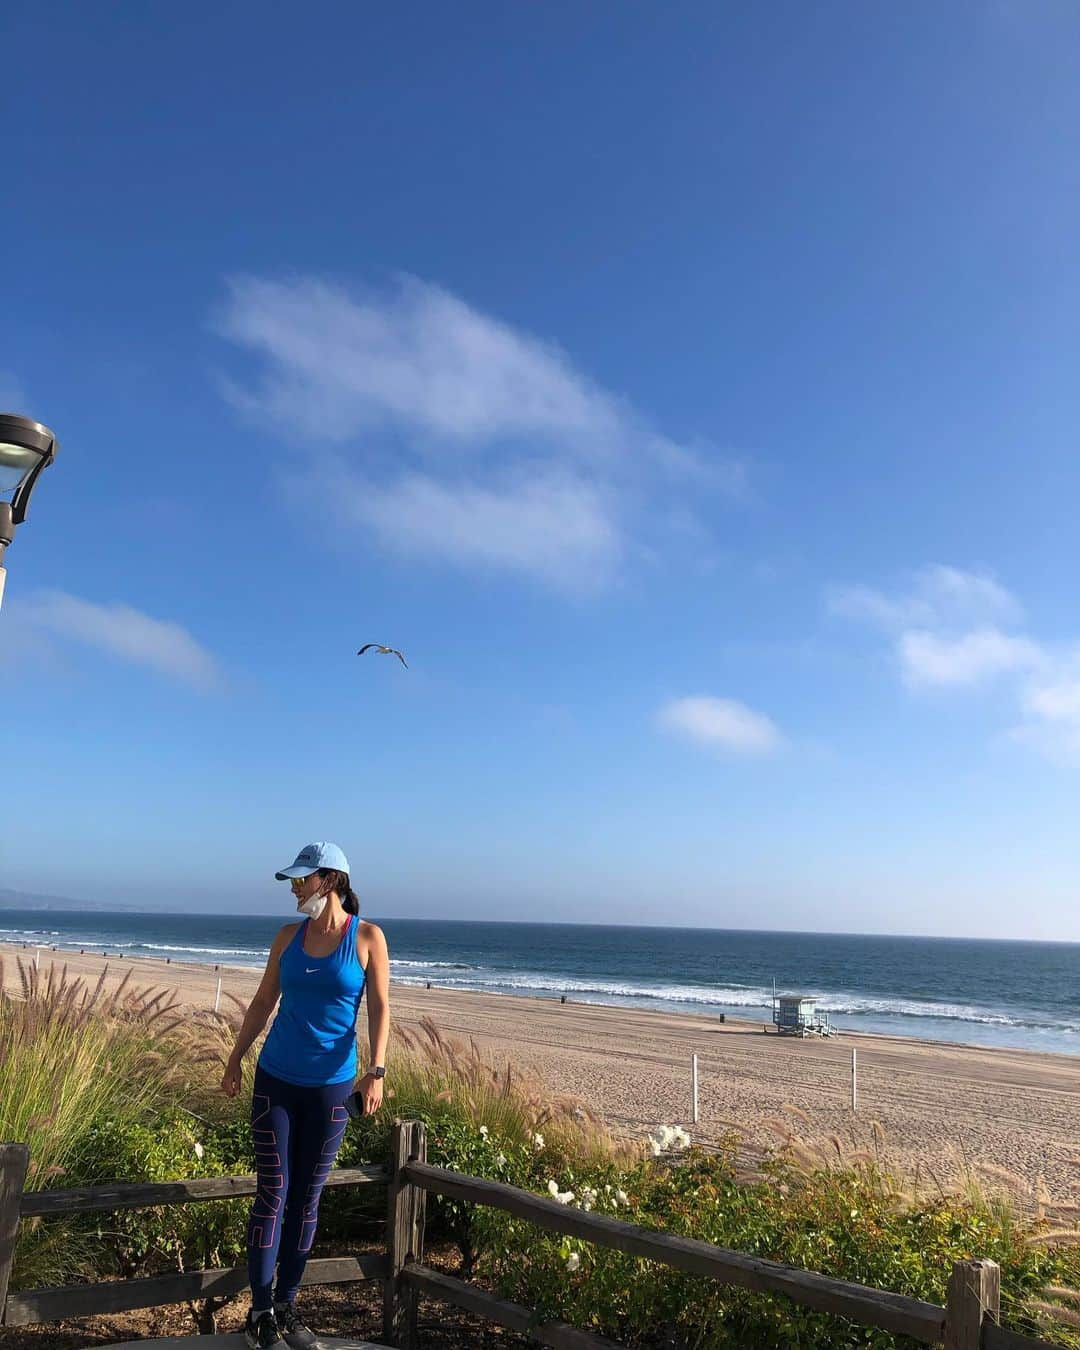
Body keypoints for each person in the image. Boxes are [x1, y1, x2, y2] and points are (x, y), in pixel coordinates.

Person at [221, 842, 390, 1350]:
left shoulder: (367, 938)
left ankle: (288, 1304)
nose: (295, 888)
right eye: (293, 881)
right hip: (275, 1080)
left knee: (307, 1198)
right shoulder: (287, 937)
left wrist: (376, 1072)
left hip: (332, 1088)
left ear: (331, 880)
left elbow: (381, 1007)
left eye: (302, 879)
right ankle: (260, 1311)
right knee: (273, 1192)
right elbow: (261, 1002)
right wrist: (235, 1057)